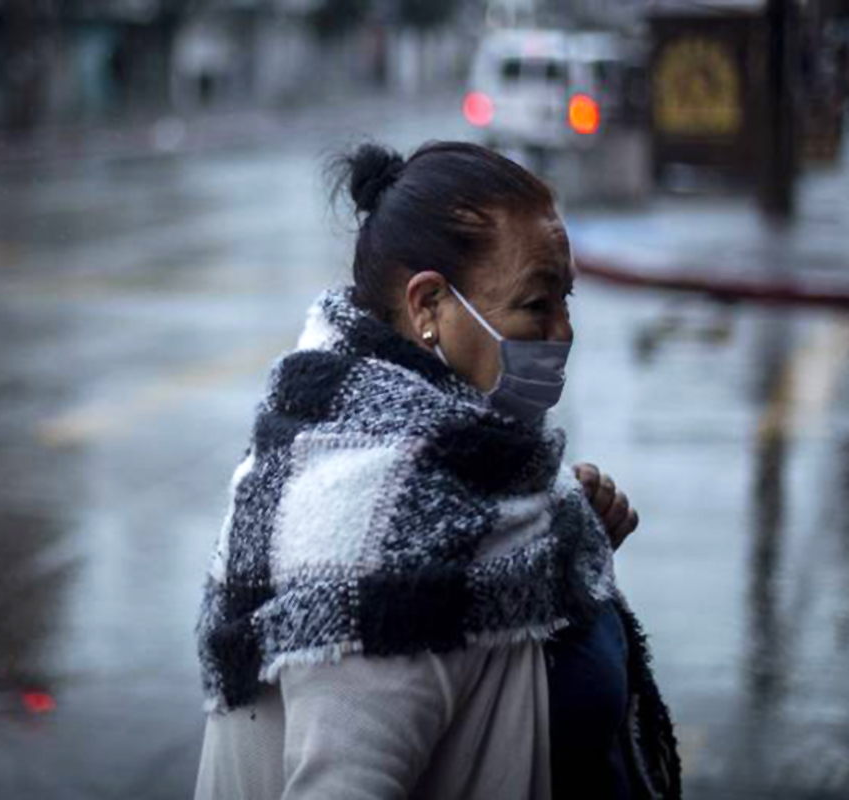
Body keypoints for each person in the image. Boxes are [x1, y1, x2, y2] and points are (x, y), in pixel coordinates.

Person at [193, 141, 681, 799]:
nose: (564, 331)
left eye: (567, 299)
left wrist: (564, 547)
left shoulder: (482, 481)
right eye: (537, 306)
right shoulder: (379, 537)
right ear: (428, 306)